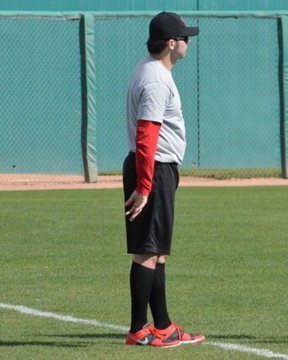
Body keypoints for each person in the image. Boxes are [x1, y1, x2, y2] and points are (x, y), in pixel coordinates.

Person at [122, 11, 205, 347]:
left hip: (157, 168)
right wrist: (144, 186)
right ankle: (138, 329)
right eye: (185, 37)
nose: (188, 42)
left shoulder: (151, 68)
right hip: (152, 168)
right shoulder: (156, 78)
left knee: (158, 251)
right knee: (147, 250)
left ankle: (164, 326)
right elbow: (146, 134)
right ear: (171, 43)